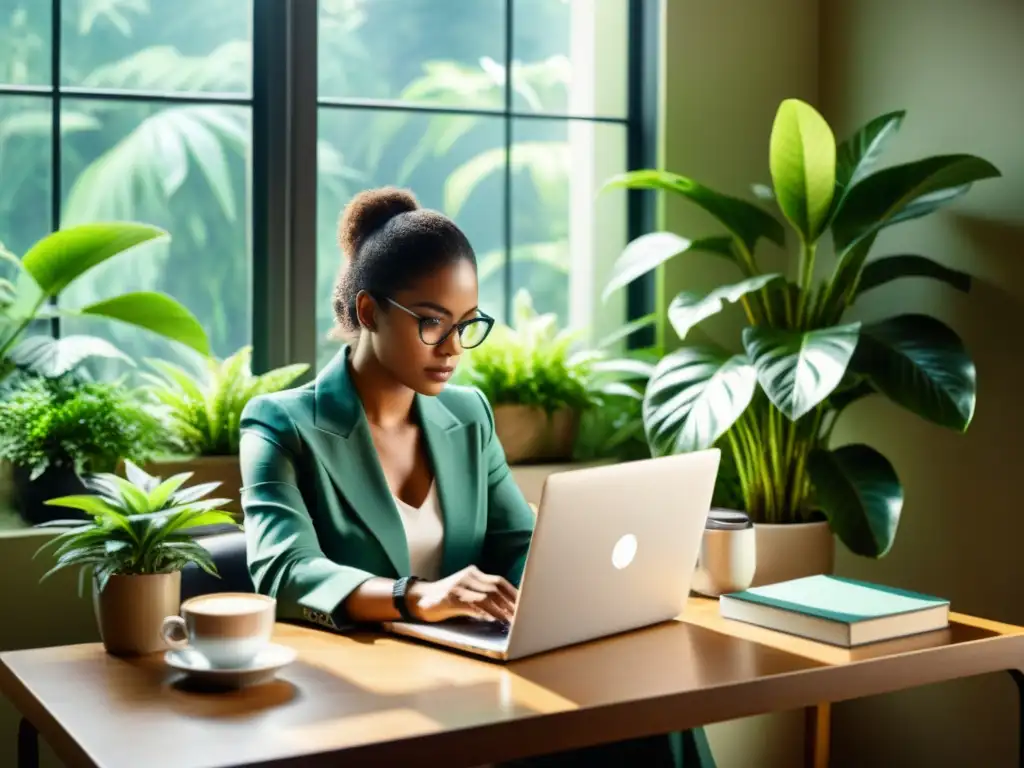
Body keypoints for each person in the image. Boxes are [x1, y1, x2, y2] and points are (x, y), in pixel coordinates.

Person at [238, 187, 715, 768]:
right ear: (369, 312)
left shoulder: (468, 415)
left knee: (658, 714)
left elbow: (518, 543)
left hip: (480, 677)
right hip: (366, 700)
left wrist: (587, 595)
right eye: (433, 323)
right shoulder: (281, 425)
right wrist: (415, 595)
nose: (454, 348)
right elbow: (283, 571)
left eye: (468, 324)